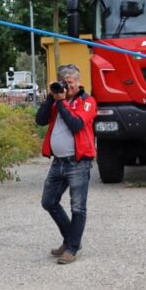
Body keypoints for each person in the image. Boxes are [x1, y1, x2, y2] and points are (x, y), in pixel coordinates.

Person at [35, 63, 97, 265]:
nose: (66, 87)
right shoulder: (56, 100)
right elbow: (40, 120)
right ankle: (71, 240)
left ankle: (71, 248)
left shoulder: (87, 101)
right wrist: (49, 99)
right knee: (48, 202)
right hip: (58, 163)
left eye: (70, 83)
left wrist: (61, 103)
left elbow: (76, 125)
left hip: (78, 163)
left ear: (78, 82)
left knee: (78, 207)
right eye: (63, 83)